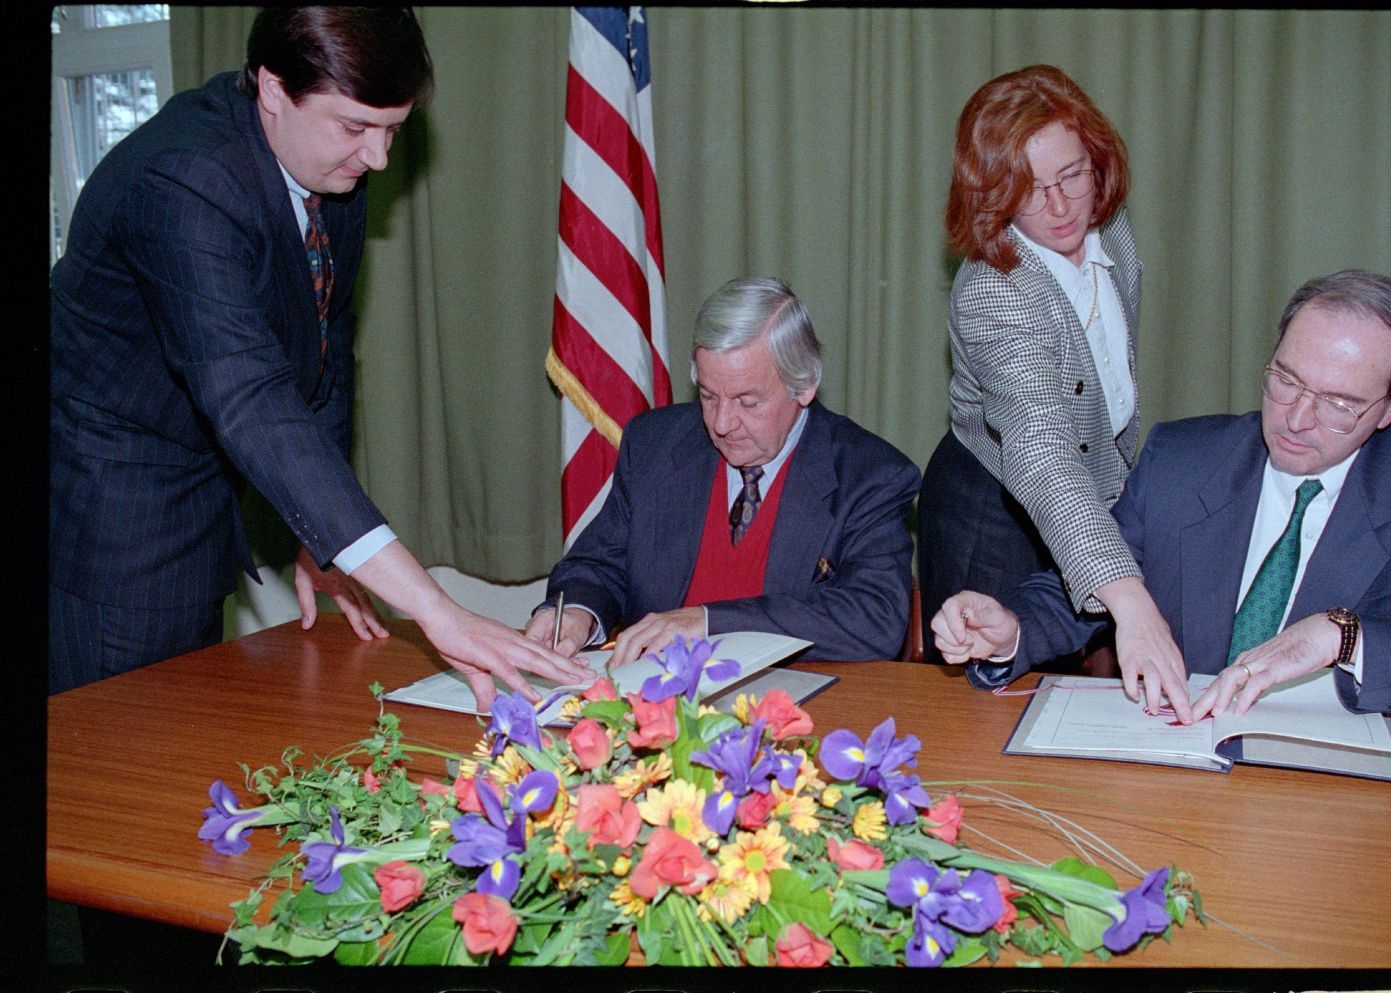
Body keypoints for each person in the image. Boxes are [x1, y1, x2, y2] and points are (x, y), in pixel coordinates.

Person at [49, 7, 592, 705]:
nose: (378, 159)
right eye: (356, 127)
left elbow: (325, 351)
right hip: (111, 515)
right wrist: (435, 608)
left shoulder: (323, 164)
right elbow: (252, 397)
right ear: (273, 88)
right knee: (121, 745)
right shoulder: (185, 180)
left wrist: (320, 538)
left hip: (200, 489)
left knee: (188, 721)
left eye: (393, 129)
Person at [933, 270, 1391, 727]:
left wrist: (1343, 638)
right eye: (1285, 379)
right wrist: (1010, 631)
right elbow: (1091, 588)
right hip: (1181, 757)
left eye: (1339, 403)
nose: (1297, 420)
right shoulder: (1183, 461)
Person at [917, 64, 1185, 711]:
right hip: (995, 508)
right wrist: (1131, 600)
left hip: (1088, 485)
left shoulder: (1110, 227)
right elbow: (1039, 451)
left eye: (1072, 175)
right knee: (990, 707)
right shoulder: (992, 293)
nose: (1063, 207)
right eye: (1032, 190)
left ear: (1098, 163)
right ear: (993, 195)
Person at [523, 276, 922, 667]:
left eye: (748, 402)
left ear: (803, 386)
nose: (722, 423)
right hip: (657, 702)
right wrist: (578, 614)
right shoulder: (654, 445)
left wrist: (708, 621)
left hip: (793, 705)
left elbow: (875, 618)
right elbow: (598, 564)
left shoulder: (871, 475)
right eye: (709, 397)